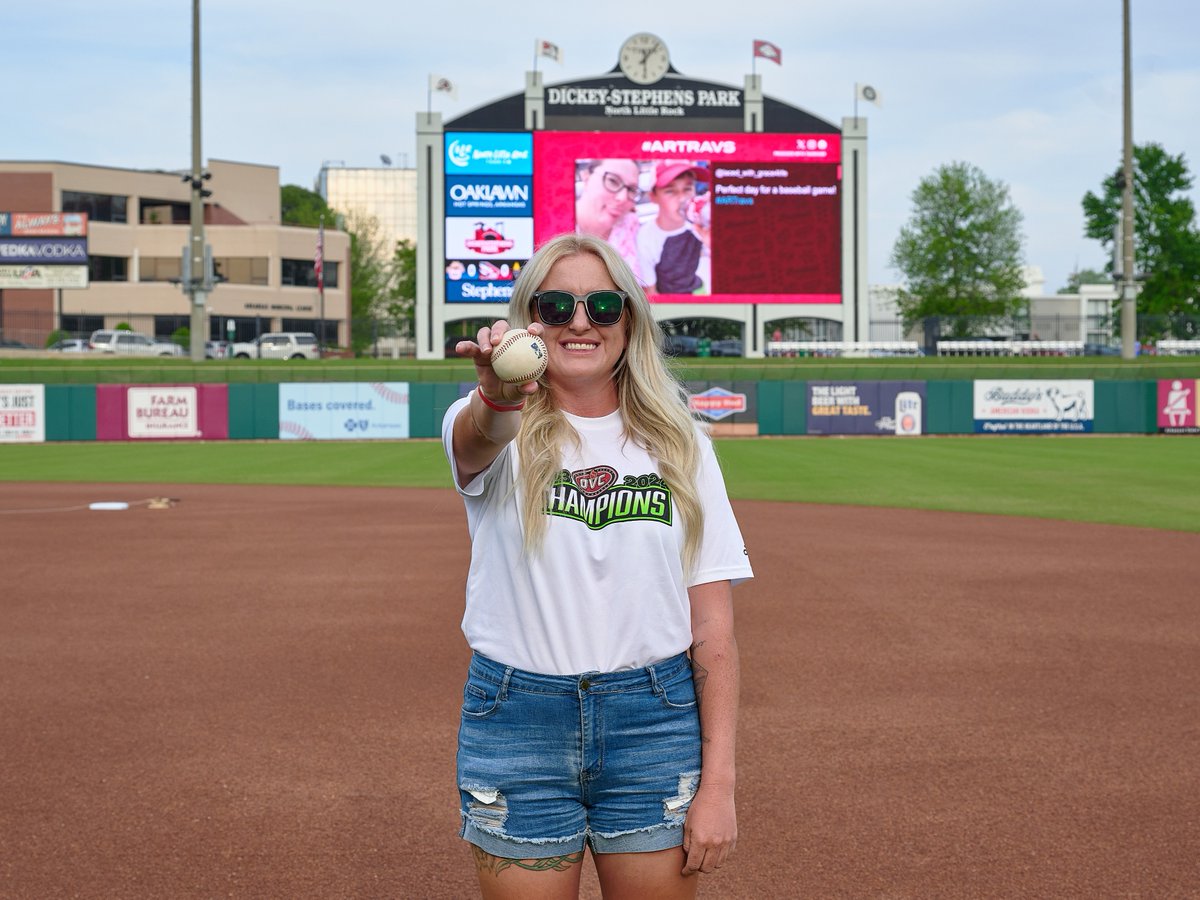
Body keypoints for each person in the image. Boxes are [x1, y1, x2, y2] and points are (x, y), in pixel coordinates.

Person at [443, 232, 753, 899]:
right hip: (518, 719)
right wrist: (498, 393)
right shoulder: (497, 429)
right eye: (556, 307)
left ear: (629, 321)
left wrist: (719, 783)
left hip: (654, 722)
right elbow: (479, 436)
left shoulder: (681, 444)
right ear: (532, 320)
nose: (580, 322)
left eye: (602, 306)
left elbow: (714, 629)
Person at [636, 162, 711, 295]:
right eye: (670, 191)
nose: (682, 198)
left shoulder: (698, 225)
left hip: (697, 290)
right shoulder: (646, 236)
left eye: (687, 189)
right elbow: (650, 290)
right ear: (653, 196)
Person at [574, 159, 646, 285]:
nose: (622, 198)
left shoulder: (631, 225)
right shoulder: (553, 225)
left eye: (631, 190)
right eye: (613, 181)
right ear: (586, 177)